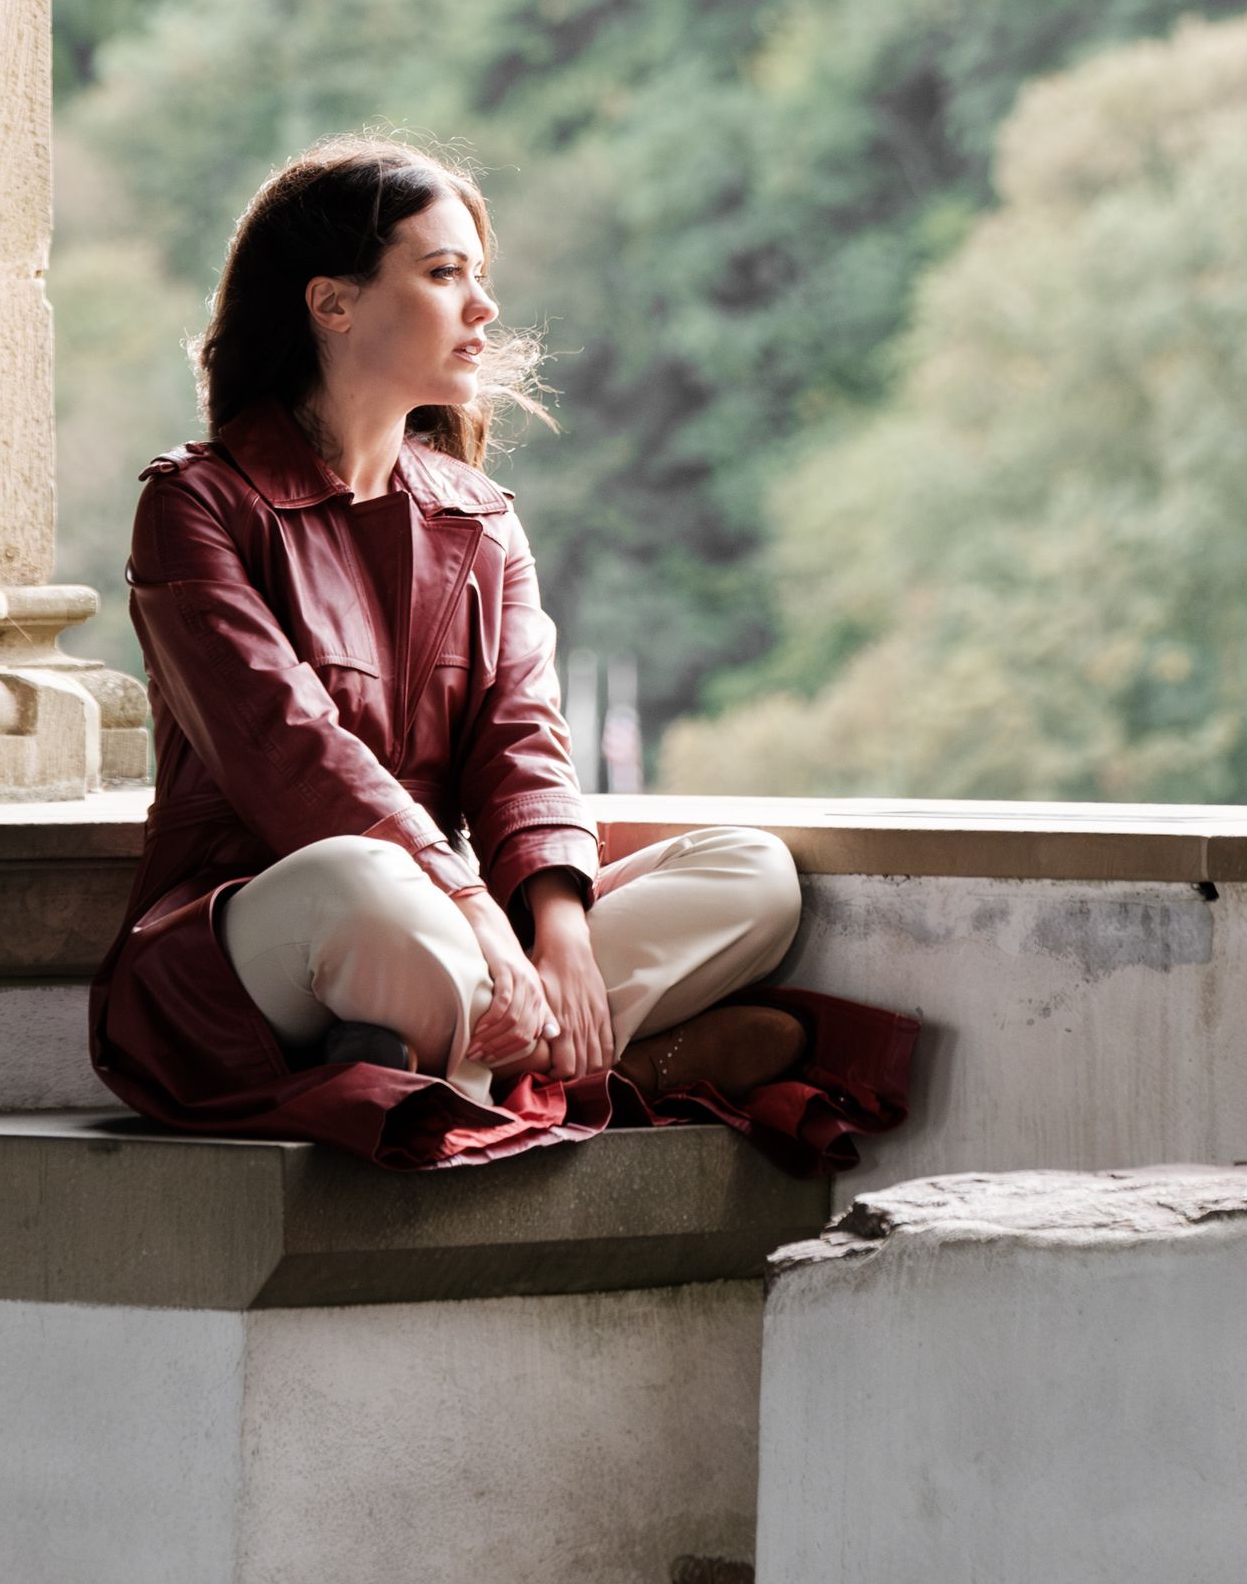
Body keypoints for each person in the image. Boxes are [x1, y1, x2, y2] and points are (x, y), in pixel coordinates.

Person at [89, 136, 915, 1172]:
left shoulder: (478, 518)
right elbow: (287, 753)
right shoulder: (193, 504)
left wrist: (559, 926)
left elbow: (522, 738)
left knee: (750, 872)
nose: (481, 305)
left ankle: (455, 1064)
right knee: (365, 882)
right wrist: (476, 908)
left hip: (446, 946)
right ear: (330, 302)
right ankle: (609, 1069)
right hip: (269, 940)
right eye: (442, 273)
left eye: (479, 274)